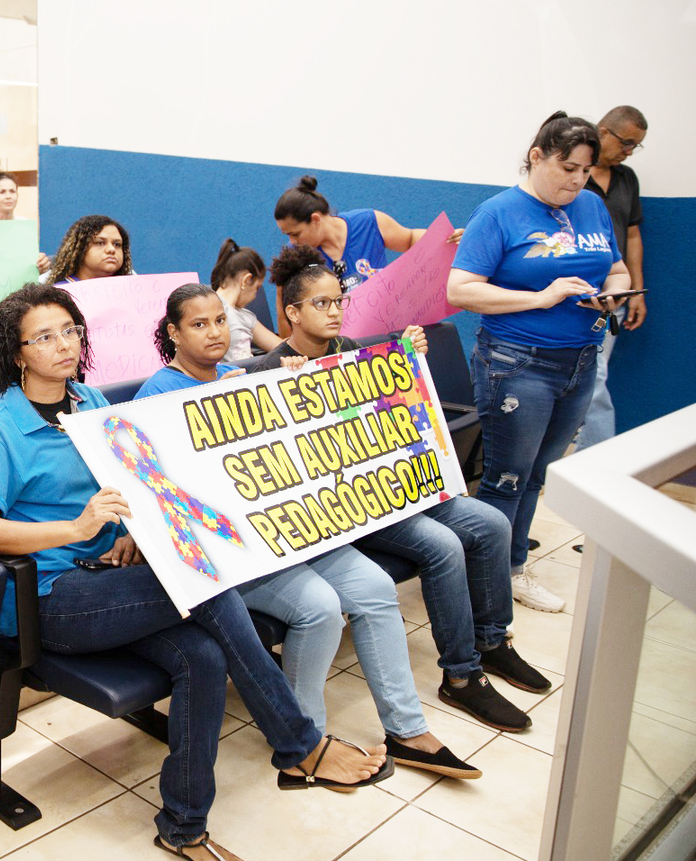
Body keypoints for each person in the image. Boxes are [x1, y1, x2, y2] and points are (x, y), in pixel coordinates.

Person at [0, 282, 391, 857]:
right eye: (43, 337)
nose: (62, 345)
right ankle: (298, 744)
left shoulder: (90, 403)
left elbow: (139, 482)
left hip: (113, 577)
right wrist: (76, 529)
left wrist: (134, 531)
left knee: (204, 658)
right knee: (208, 587)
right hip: (51, 598)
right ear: (16, 353)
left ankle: (183, 828)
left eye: (70, 331)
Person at [135, 281, 486, 773]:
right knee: (320, 606)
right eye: (198, 324)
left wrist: (295, 387)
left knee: (377, 587)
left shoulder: (239, 377)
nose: (213, 332)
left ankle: (407, 730)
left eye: (219, 320)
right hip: (232, 551)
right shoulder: (158, 394)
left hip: (288, 531)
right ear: (173, 333)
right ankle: (306, 742)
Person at [255, 247, 551, 731]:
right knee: (442, 545)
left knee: (493, 523)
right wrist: (283, 396)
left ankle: (493, 641)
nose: (334, 312)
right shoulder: (268, 371)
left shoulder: (355, 353)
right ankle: (461, 675)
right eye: (320, 304)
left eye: (338, 302)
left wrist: (408, 360)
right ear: (291, 312)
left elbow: (397, 419)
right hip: (346, 510)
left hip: (394, 489)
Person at [448, 111, 630, 613]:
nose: (577, 180)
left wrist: (613, 295)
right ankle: (483, 585)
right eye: (567, 167)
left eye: (585, 170)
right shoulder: (500, 212)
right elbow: (460, 289)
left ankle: (510, 569)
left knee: (536, 474)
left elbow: (614, 267)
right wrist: (541, 297)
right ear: (537, 156)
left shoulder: (591, 207)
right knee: (506, 477)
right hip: (517, 362)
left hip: (579, 360)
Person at [575, 106, 649, 454]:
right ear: (603, 131)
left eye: (636, 146)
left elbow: (632, 236)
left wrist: (636, 290)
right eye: (627, 142)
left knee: (593, 378)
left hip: (616, 294)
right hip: (579, 296)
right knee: (595, 378)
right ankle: (599, 462)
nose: (630, 151)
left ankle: (580, 458)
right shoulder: (571, 176)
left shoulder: (626, 178)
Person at [273, 175, 461, 295]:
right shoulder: (294, 257)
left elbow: (410, 239)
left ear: (315, 219)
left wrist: (451, 240)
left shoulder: (369, 222)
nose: (292, 242)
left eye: (295, 234)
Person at [210, 239, 280, 360]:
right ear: (246, 280)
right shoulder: (209, 309)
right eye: (257, 288)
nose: (255, 296)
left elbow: (281, 347)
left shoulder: (246, 317)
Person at [49, 214, 132, 283]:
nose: (111, 249)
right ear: (80, 249)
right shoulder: (59, 294)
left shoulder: (131, 291)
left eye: (117, 244)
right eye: (100, 243)